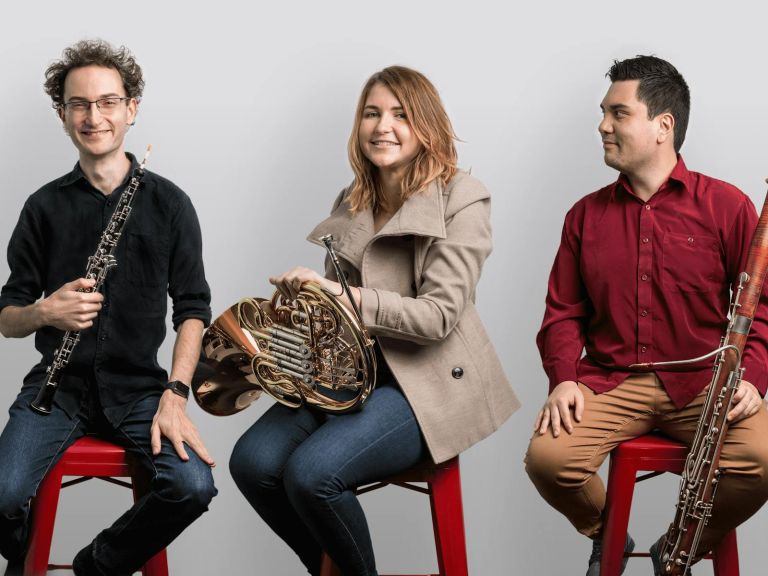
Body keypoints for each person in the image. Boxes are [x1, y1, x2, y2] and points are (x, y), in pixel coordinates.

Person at [228, 65, 519, 576]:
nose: (382, 126)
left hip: (425, 384)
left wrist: (345, 295)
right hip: (350, 376)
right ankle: (330, 568)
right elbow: (336, 315)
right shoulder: (352, 199)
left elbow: (439, 317)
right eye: (371, 113)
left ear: (426, 123)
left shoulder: (463, 197)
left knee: (312, 474)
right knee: (251, 462)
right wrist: (297, 318)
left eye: (400, 115)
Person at [525, 55, 768, 576]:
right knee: (549, 461)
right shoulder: (584, 215)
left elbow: (762, 306)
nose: (602, 125)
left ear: (663, 126)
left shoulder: (727, 206)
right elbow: (562, 313)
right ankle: (610, 531)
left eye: (618, 113)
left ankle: (678, 546)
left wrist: (754, 377)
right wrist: (564, 378)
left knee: (765, 459)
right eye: (603, 113)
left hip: (704, 383)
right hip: (612, 382)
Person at [0, 39, 216, 576]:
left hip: (140, 390)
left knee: (193, 486)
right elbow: (6, 315)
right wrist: (46, 312)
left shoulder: (170, 204)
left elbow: (193, 308)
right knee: (2, 495)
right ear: (63, 114)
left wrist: (176, 394)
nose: (94, 116)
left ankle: (96, 565)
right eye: (79, 104)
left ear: (131, 109)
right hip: (56, 387)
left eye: (108, 102)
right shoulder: (43, 206)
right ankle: (22, 548)